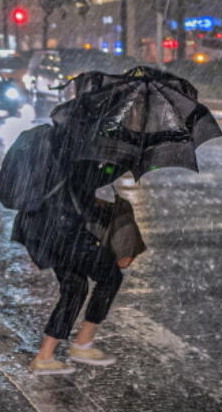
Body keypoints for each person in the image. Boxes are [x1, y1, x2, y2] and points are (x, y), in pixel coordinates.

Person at [13, 131, 134, 376]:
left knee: (75, 288)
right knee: (110, 277)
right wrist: (126, 162)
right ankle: (82, 344)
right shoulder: (79, 146)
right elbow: (93, 179)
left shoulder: (55, 142)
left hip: (40, 229)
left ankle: (45, 357)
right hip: (63, 231)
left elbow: (73, 189)